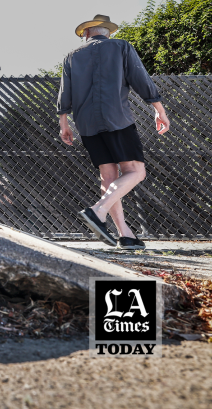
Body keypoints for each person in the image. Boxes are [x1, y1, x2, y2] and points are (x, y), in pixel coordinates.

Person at [57, 14, 170, 250]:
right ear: (108, 33)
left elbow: (64, 92)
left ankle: (125, 235)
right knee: (136, 172)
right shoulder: (121, 46)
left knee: (108, 177)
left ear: (87, 33)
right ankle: (98, 211)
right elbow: (140, 79)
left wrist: (64, 124)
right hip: (116, 118)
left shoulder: (72, 56)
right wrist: (159, 110)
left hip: (86, 124)